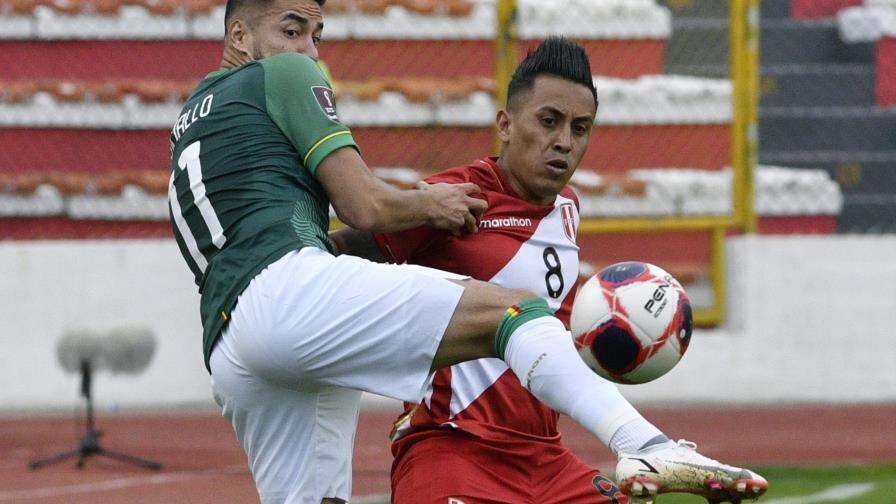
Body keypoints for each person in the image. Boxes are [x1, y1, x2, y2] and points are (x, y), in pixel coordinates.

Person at [166, 0, 766, 501]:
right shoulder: (286, 74)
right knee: (515, 311)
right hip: (292, 294)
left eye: (316, 35)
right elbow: (365, 209)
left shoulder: (188, 121)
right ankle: (646, 446)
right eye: (293, 30)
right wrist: (432, 205)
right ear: (239, 33)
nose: (309, 51)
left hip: (230, 342)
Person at [332, 38, 769, 504]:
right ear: (505, 124)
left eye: (580, 128)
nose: (564, 141)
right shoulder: (452, 197)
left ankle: (653, 450)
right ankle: (650, 446)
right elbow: (335, 256)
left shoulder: (567, 208)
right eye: (549, 121)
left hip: (545, 460)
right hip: (454, 448)